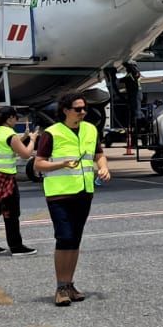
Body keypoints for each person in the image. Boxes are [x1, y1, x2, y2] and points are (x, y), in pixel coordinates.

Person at [33, 94, 112, 306]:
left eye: (84, 108)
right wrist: (60, 165)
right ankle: (60, 287)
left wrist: (103, 167)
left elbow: (98, 154)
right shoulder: (51, 134)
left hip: (84, 192)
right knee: (64, 238)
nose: (83, 112)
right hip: (59, 193)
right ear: (66, 110)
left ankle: (69, 284)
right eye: (78, 109)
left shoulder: (90, 129)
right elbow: (38, 165)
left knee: (75, 239)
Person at [0, 108, 37, 255]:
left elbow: (7, 145)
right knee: (11, 213)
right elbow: (25, 154)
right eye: (16, 118)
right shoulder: (10, 134)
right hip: (5, 179)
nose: (17, 121)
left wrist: (23, 137)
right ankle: (16, 247)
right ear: (10, 118)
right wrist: (33, 139)